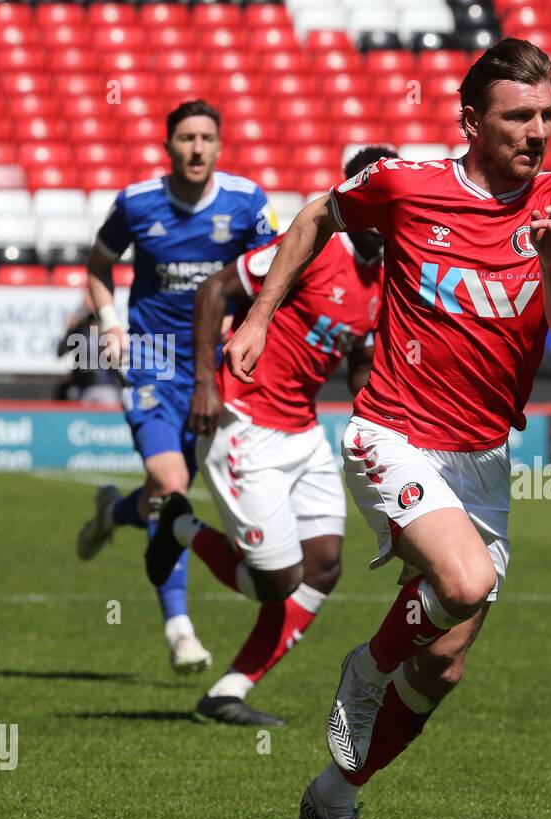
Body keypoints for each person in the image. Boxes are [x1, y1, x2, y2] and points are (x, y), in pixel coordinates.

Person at [224, 39, 551, 819]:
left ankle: (335, 796)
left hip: (483, 458)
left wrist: (549, 262)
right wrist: (257, 316)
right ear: (473, 121)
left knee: (444, 670)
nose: (536, 131)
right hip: (392, 433)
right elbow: (318, 214)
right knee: (460, 583)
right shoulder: (405, 185)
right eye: (517, 117)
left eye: (546, 115)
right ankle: (363, 669)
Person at [145, 147, 394, 726]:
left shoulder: (381, 278)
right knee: (275, 583)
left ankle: (226, 692)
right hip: (243, 421)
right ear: (360, 197)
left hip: (301, 430)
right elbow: (213, 291)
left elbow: (360, 367)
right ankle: (177, 524)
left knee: (326, 565)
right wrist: (206, 385)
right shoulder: (314, 246)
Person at [76, 100, 275, 673]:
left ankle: (112, 514)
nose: (195, 148)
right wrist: (111, 326)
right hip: (152, 362)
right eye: (185, 137)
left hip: (213, 371)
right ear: (168, 146)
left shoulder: (246, 202)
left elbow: (274, 268)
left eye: (206, 138)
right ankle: (180, 630)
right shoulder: (137, 203)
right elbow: (97, 264)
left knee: (162, 497)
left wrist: (250, 323)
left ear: (218, 145)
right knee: (172, 485)